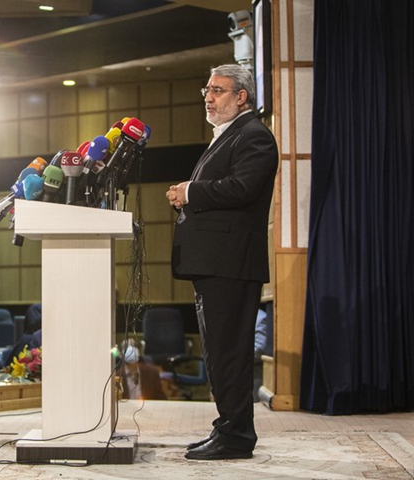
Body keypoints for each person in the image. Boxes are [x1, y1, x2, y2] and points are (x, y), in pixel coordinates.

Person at [166, 64, 278, 461]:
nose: (209, 98)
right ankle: (228, 428)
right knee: (218, 351)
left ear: (241, 96)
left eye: (217, 90)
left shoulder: (254, 137)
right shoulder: (230, 136)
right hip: (216, 263)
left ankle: (235, 437)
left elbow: (243, 187)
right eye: (207, 90)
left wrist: (190, 192)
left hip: (231, 263)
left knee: (228, 352)